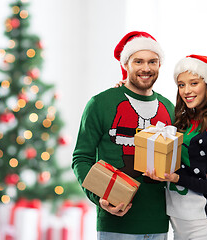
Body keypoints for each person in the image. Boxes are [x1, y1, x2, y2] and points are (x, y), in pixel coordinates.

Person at [72, 31, 175, 240]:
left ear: (159, 65)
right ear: (126, 64)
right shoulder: (100, 104)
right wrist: (99, 195)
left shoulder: (169, 108)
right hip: (115, 225)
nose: (146, 68)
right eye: (138, 61)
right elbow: (81, 158)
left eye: (152, 62)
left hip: (159, 223)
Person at [144, 54, 207, 240]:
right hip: (178, 224)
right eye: (181, 85)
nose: (186, 91)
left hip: (203, 226)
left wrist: (177, 178)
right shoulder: (182, 122)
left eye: (193, 83)